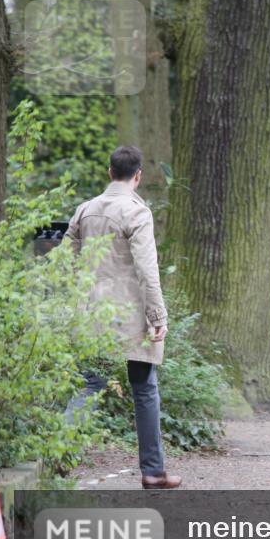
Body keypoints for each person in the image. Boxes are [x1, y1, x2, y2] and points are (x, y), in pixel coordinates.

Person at [64, 145, 181, 489]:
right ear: (138, 176)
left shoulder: (85, 210)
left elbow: (66, 260)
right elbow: (147, 269)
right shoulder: (137, 212)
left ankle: (54, 455)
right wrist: (157, 315)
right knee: (144, 389)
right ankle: (153, 472)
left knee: (89, 384)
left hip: (91, 313)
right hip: (131, 316)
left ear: (110, 172)